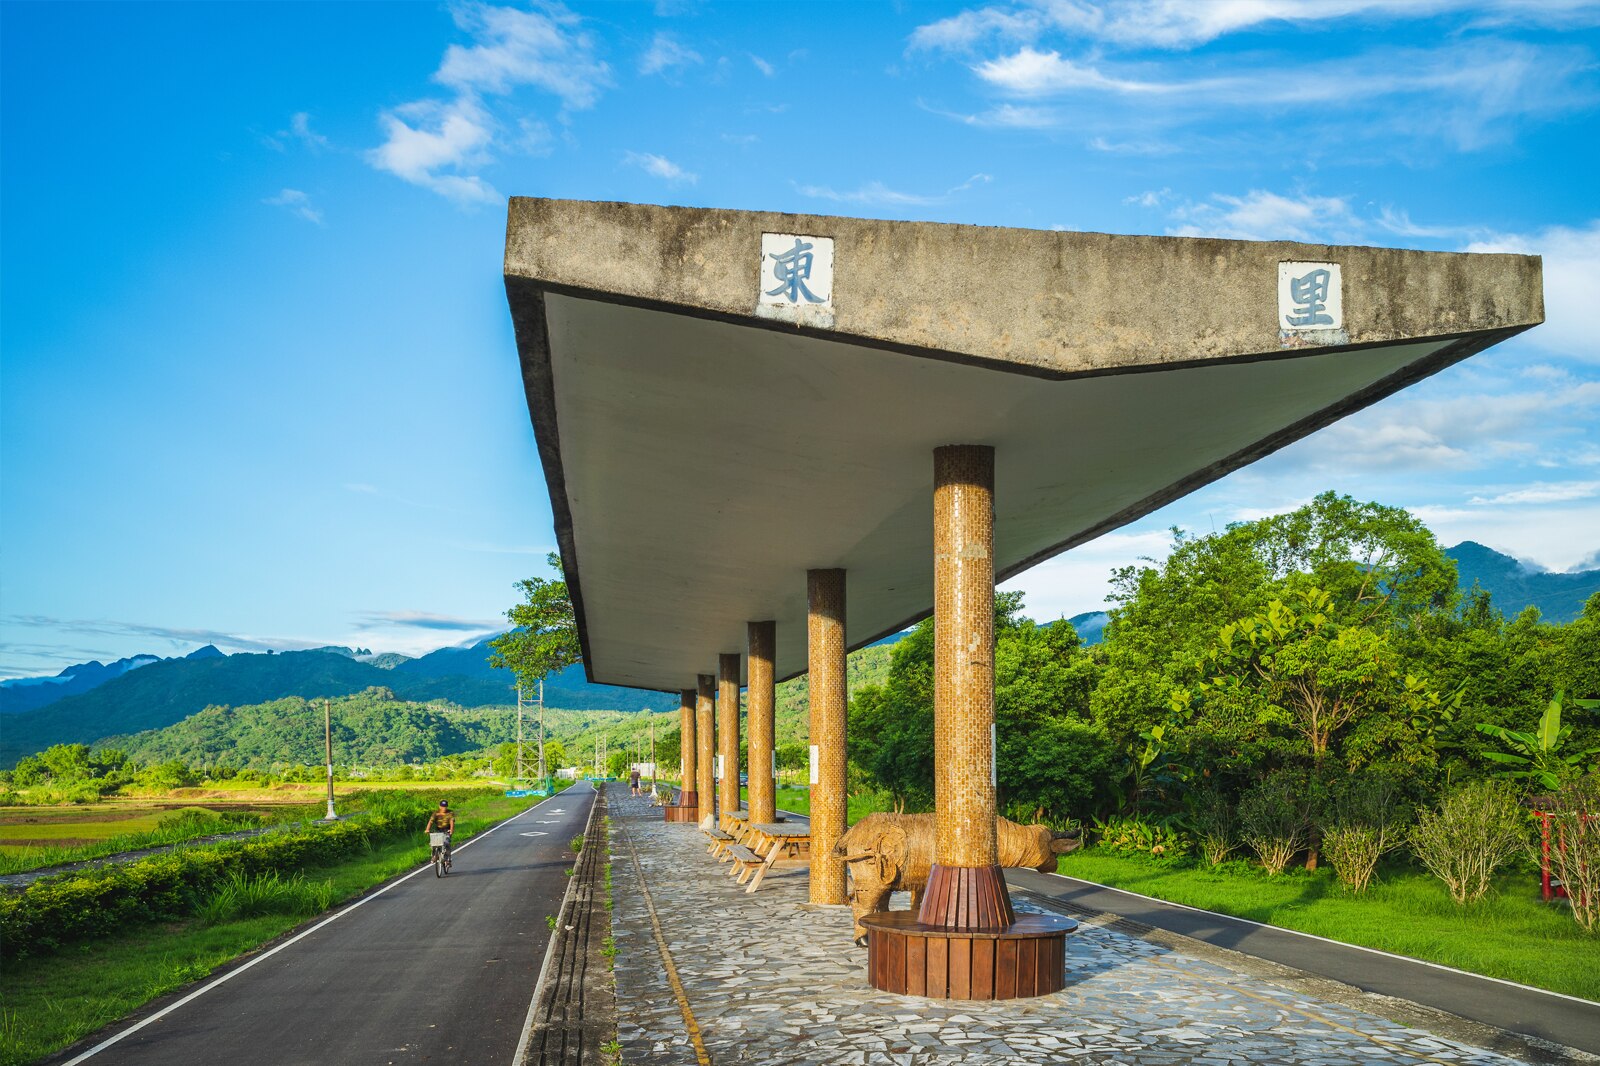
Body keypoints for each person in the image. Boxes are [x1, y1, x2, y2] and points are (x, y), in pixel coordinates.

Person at [425, 799, 456, 865]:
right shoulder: (436, 813)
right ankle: (434, 856)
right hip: (438, 830)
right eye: (442, 806)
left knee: (447, 843)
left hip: (447, 830)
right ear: (439, 806)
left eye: (445, 806)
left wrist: (451, 830)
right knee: (434, 843)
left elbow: (451, 822)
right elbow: (431, 821)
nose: (444, 808)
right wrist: (427, 829)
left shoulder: (450, 813)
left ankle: (447, 859)